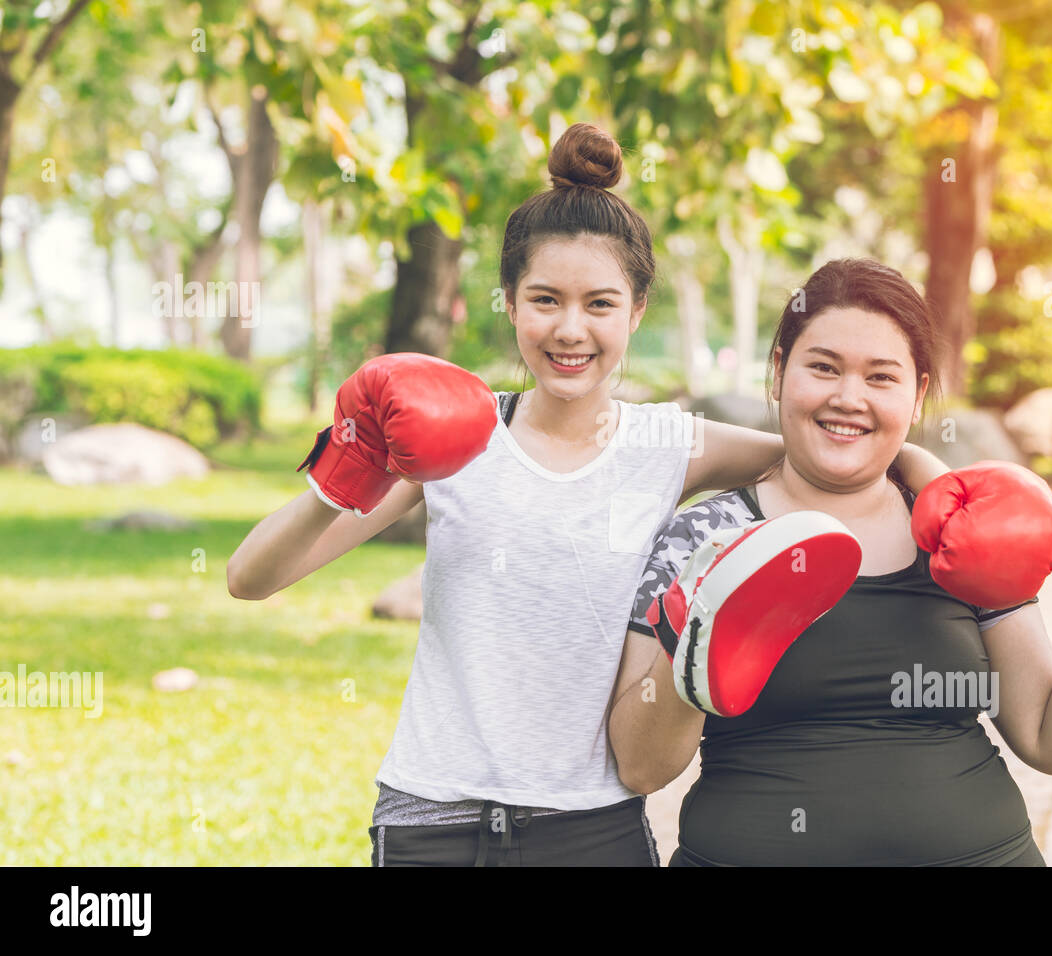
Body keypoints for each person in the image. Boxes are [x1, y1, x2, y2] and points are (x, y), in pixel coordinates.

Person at [227, 126, 947, 866]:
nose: (571, 329)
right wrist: (348, 467)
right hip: (432, 820)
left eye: (599, 303)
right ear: (508, 302)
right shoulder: (454, 441)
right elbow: (250, 579)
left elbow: (830, 454)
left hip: (593, 829)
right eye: (545, 299)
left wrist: (932, 479)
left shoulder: (671, 445)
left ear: (636, 311)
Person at [609, 257, 1052, 866]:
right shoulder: (704, 536)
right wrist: (694, 642)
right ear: (780, 373)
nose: (848, 398)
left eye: (881, 377)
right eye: (823, 367)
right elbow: (640, 766)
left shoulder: (962, 532)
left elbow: (1050, 737)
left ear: (917, 394)